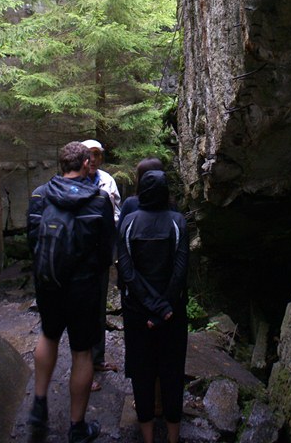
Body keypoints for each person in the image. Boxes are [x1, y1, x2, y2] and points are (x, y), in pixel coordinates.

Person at [27, 141, 116, 443]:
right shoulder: (99, 200)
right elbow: (106, 251)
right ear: (86, 164)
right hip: (83, 287)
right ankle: (77, 427)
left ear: (62, 164)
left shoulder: (40, 195)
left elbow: (32, 240)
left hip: (48, 282)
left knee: (48, 335)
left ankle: (39, 405)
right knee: (81, 352)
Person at [118, 167, 189, 443]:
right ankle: (172, 438)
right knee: (173, 373)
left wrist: (149, 307)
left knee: (142, 373)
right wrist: (163, 309)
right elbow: (180, 271)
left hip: (138, 313)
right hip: (172, 312)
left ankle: (147, 438)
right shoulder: (177, 222)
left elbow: (127, 272)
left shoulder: (129, 222)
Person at [81, 138, 121, 382]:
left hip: (101, 252)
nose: (93, 159)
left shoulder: (107, 180)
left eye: (97, 155)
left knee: (98, 307)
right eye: (89, 154)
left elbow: (117, 212)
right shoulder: (72, 180)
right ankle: (82, 366)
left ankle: (97, 358)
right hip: (79, 255)